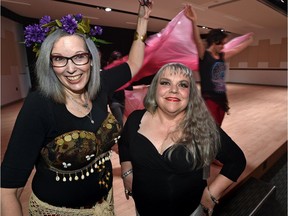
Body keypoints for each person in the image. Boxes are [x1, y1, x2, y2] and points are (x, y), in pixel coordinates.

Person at [1, 1, 153, 215]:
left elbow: (134, 64)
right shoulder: (39, 105)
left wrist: (142, 22)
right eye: (59, 59)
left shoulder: (100, 86)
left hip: (105, 206)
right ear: (49, 64)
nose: (71, 68)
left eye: (79, 57)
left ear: (92, 59)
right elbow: (7, 190)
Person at [118, 63, 246, 216]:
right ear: (154, 88)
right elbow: (124, 143)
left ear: (190, 93)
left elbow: (236, 160)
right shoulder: (135, 120)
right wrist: (126, 171)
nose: (174, 90)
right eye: (165, 83)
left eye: (183, 85)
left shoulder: (203, 127)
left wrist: (212, 194)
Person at [184, 5, 254, 126]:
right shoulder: (204, 56)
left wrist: (248, 41)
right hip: (209, 99)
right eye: (221, 43)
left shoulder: (222, 56)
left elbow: (237, 49)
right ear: (214, 41)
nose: (223, 46)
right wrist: (194, 21)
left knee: (218, 128)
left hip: (222, 99)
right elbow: (198, 41)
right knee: (210, 127)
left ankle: (215, 144)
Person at [106, 50, 126, 127]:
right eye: (116, 60)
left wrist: (142, 87)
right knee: (120, 123)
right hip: (114, 102)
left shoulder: (121, 72)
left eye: (119, 60)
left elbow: (126, 86)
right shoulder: (109, 72)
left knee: (120, 123)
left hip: (122, 100)